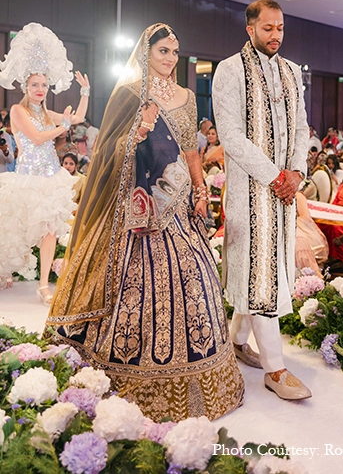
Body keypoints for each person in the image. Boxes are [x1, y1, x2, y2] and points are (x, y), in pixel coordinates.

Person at [46, 23, 244, 422]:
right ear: (146, 53)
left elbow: (191, 151)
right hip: (137, 208)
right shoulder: (129, 94)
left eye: (174, 51)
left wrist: (200, 191)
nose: (170, 58)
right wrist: (141, 128)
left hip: (177, 203)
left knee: (196, 275)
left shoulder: (188, 97)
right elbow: (108, 152)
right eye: (162, 51)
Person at [212, 0, 311, 401]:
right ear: (250, 29)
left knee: (264, 272)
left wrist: (297, 173)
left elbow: (302, 127)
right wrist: (275, 176)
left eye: (280, 28)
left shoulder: (291, 71)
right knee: (259, 273)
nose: (276, 35)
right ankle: (276, 369)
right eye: (268, 28)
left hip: (284, 194)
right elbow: (230, 135)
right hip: (250, 193)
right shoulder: (229, 70)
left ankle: (236, 341)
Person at [0, 23, 89, 299]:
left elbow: (77, 118)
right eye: (35, 85)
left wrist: (85, 92)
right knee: (15, 231)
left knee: (49, 231)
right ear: (26, 87)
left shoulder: (47, 113)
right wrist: (63, 126)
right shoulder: (18, 110)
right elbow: (38, 138)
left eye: (44, 85)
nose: (40, 89)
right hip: (28, 180)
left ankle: (42, 286)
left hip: (49, 179)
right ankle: (4, 271)